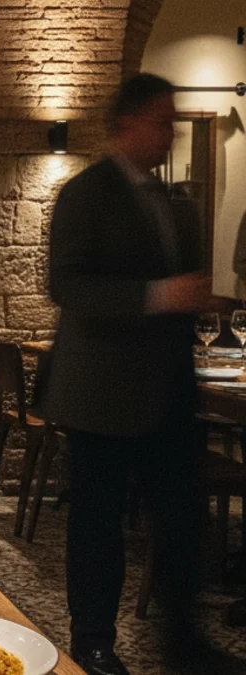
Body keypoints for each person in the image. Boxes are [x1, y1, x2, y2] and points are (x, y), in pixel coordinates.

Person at [45, 73, 240, 675]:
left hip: (167, 390)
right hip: (101, 391)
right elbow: (67, 285)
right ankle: (94, 641)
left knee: (181, 521)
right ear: (126, 124)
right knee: (98, 525)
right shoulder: (86, 194)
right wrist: (160, 296)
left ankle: (183, 641)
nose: (170, 133)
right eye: (161, 120)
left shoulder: (173, 200)